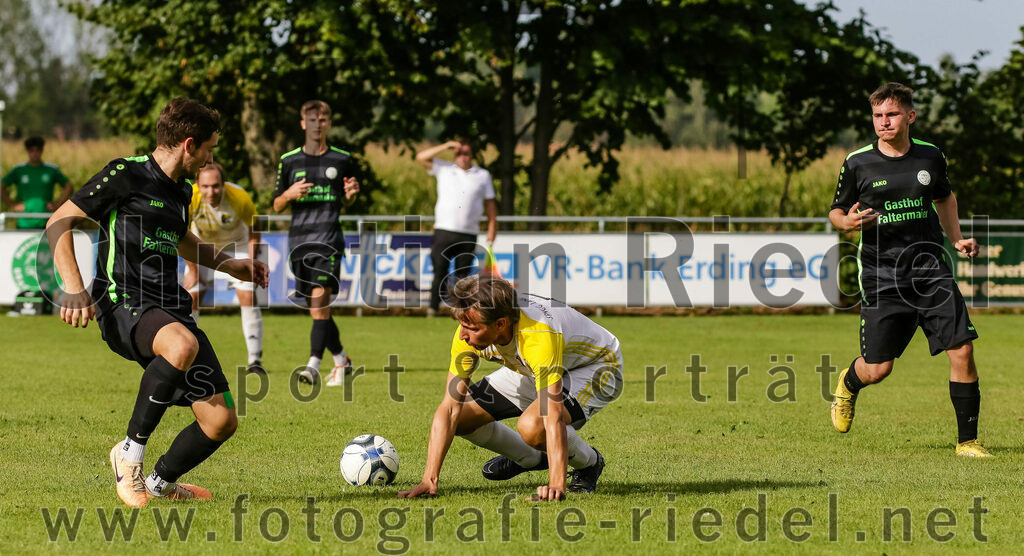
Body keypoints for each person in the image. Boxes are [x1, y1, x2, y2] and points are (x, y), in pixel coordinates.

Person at [45, 98, 269, 507]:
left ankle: (160, 481)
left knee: (221, 421)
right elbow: (59, 220)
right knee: (181, 344)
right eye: (209, 150)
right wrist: (73, 287)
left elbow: (182, 240)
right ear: (189, 144)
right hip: (122, 301)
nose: (209, 159)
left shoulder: (183, 191)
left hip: (169, 308)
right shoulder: (125, 174)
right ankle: (128, 453)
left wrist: (230, 265)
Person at [829, 82, 988, 457]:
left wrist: (957, 238)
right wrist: (847, 224)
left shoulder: (931, 157)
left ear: (910, 116)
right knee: (878, 369)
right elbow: (836, 211)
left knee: (962, 349)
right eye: (878, 116)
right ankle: (849, 384)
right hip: (882, 275)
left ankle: (968, 441)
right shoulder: (857, 162)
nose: (884, 122)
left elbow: (944, 197)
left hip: (931, 269)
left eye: (892, 114)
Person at [398, 275, 623, 501]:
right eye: (462, 326)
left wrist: (556, 485)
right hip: (534, 367)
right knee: (463, 418)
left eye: (472, 328)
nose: (463, 335)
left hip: (597, 367)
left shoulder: (537, 335)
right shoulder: (468, 333)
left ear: (501, 324)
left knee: (533, 426)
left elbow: (551, 416)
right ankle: (531, 458)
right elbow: (449, 409)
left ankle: (590, 463)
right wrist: (429, 478)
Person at [272, 100, 359, 387]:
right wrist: (289, 194)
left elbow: (348, 199)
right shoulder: (288, 160)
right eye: (312, 119)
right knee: (317, 309)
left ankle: (312, 364)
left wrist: (351, 194)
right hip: (299, 242)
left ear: (329, 123)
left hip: (329, 239)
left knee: (321, 303)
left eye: (322, 119)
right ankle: (342, 361)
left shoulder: (342, 158)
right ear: (302, 123)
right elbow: (276, 205)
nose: (317, 124)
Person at [183, 161, 265, 374]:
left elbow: (255, 228)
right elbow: (181, 235)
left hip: (235, 246)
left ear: (223, 183)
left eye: (216, 186)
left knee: (247, 296)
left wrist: (251, 261)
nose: (211, 191)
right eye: (206, 186)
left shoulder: (239, 197)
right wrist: (193, 272)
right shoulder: (190, 197)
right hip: (202, 246)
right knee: (191, 297)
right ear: (198, 185)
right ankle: (190, 357)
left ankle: (255, 360)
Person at [415, 139, 497, 315]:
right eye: (458, 153)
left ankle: (461, 311)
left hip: (468, 232)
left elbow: (490, 204)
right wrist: (445, 146)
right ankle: (433, 308)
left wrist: (492, 227)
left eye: (465, 153)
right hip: (444, 230)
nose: (462, 157)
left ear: (472, 155)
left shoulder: (482, 175)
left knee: (463, 277)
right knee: (440, 271)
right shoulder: (444, 169)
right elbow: (420, 157)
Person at [2, 136, 73, 228]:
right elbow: (2, 186)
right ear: (27, 151)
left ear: (42, 150)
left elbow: (68, 186)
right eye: (31, 150)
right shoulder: (19, 170)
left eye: (38, 150)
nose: (35, 153)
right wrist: (12, 204)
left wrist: (57, 204)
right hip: (24, 221)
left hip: (46, 220)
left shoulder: (51, 170)